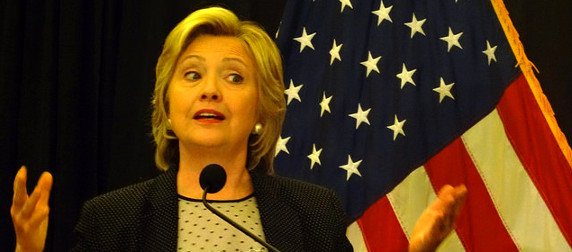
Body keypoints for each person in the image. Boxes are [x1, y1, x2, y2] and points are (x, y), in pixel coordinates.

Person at [11, 6, 467, 252]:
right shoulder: (113, 222)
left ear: (261, 113)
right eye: (192, 75)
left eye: (233, 77)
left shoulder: (313, 216)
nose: (210, 90)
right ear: (168, 109)